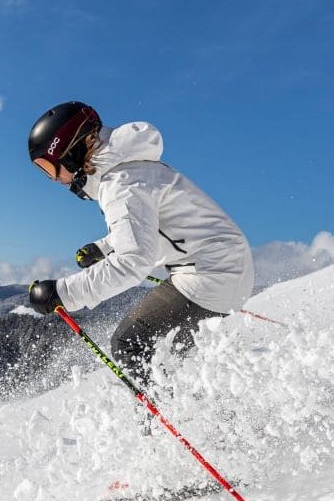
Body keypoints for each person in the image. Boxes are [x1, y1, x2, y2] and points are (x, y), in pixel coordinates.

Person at [26, 101, 253, 391]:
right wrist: (105, 247)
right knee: (170, 358)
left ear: (71, 152)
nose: (56, 179)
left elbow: (135, 259)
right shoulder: (132, 170)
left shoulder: (121, 183)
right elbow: (151, 228)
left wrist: (63, 293)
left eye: (49, 168)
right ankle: (202, 415)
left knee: (129, 342)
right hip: (224, 267)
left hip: (210, 275)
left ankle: (166, 425)